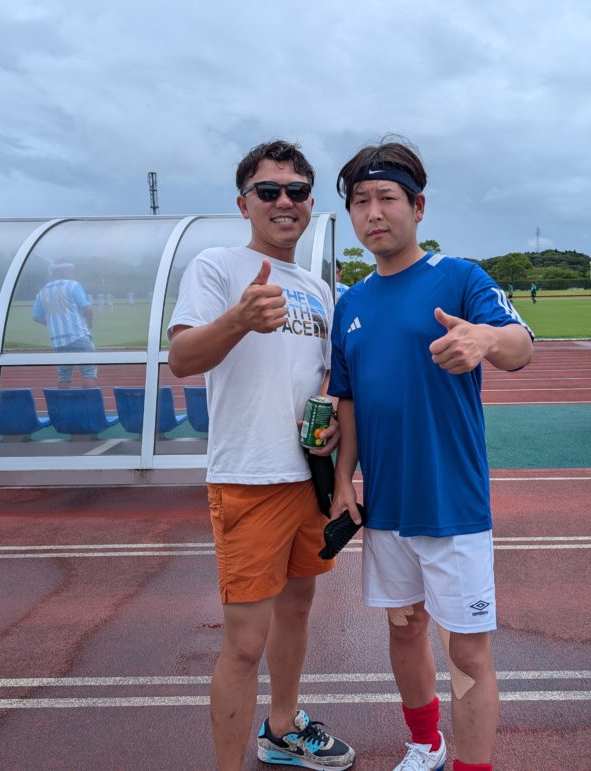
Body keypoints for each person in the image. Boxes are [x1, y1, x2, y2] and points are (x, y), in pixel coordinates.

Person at [328, 139, 533, 771]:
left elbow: (520, 344)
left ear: (417, 207)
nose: (373, 212)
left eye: (387, 198)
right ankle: (426, 744)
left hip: (451, 502)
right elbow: (347, 400)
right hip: (386, 505)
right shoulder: (350, 304)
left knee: (467, 652)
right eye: (360, 201)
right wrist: (342, 480)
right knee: (403, 628)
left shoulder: (460, 278)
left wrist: (484, 340)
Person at [167, 140, 354, 771]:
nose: (284, 202)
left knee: (297, 610)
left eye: (296, 191)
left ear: (309, 203)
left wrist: (329, 426)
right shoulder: (218, 266)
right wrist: (240, 319)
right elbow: (182, 359)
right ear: (243, 202)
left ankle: (282, 729)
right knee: (245, 643)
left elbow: (325, 379)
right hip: (248, 477)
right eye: (268, 191)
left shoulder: (319, 289)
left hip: (307, 478)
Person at [32, 262, 98, 387]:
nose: (73, 274)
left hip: (58, 341)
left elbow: (36, 316)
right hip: (78, 335)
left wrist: (51, 324)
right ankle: (88, 399)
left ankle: (64, 399)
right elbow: (87, 308)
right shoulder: (73, 285)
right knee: (89, 372)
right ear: (62, 272)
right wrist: (89, 322)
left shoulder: (43, 290)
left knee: (64, 375)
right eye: (71, 271)